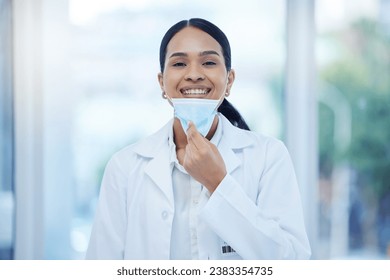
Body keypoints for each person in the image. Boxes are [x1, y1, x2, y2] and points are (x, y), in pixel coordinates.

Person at [86, 18, 311, 260]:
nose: (194, 74)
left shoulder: (268, 156)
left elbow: (292, 261)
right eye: (180, 63)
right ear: (162, 82)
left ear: (229, 81)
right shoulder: (125, 167)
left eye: (209, 62)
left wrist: (218, 184)